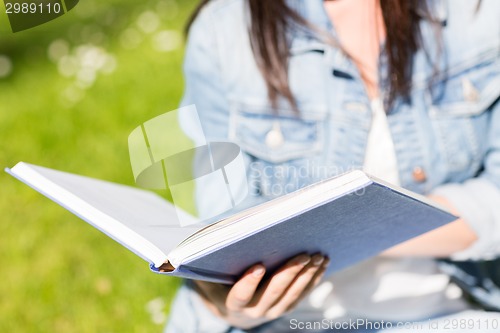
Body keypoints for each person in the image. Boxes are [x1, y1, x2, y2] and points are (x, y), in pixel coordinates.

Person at [165, 0, 500, 332]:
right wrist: (230, 302)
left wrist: (352, 230)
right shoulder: (223, 30)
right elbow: (221, 226)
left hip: (452, 314)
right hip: (292, 324)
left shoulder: (476, 13)